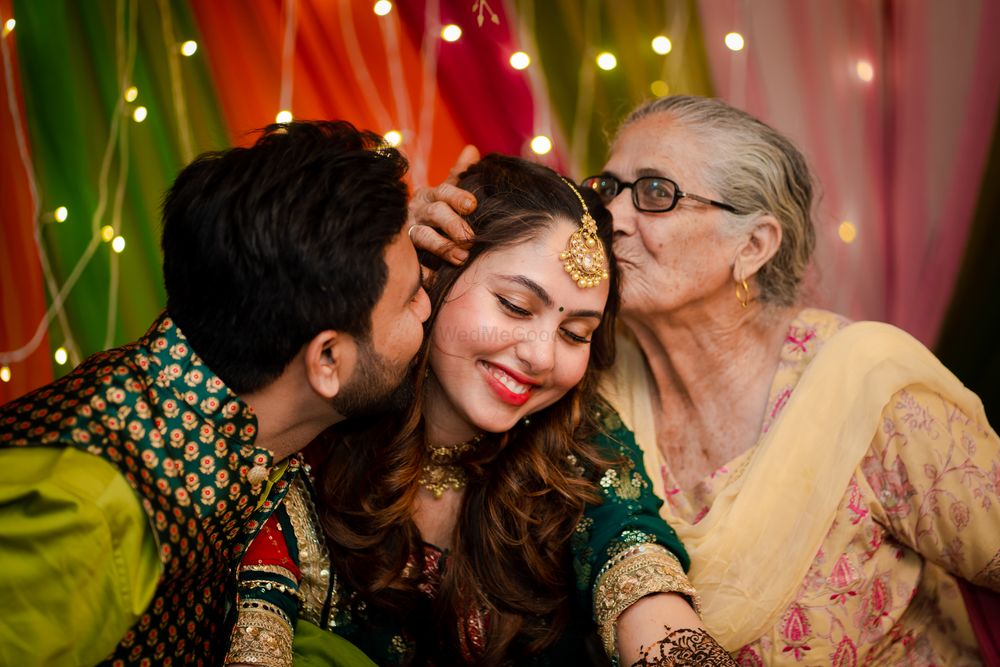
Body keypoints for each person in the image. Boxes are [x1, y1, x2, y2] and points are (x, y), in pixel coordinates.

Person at [411, 95, 1000, 664]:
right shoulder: (584, 376)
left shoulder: (870, 384)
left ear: (753, 245)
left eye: (655, 193)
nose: (610, 219)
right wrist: (404, 267)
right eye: (608, 189)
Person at [225, 154, 737, 666]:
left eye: (575, 333)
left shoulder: (577, 437)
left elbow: (637, 566)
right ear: (433, 281)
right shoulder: (311, 439)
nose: (541, 355)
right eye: (515, 306)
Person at [0, 120, 431, 666]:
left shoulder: (206, 375)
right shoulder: (85, 518)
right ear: (327, 360)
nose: (427, 308)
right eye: (412, 298)